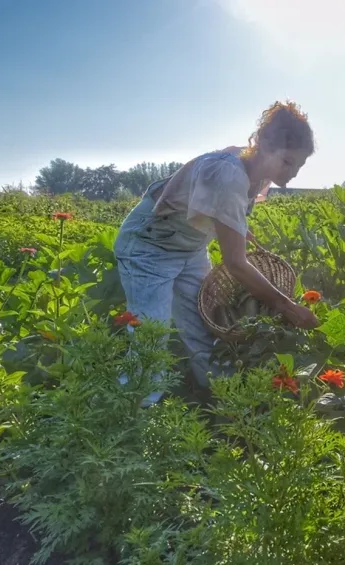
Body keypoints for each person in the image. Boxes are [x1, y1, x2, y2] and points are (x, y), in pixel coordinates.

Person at [113, 101, 320, 403]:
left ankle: (221, 409)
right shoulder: (227, 173)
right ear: (262, 143)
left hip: (190, 248)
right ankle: (129, 425)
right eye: (287, 162)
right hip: (150, 247)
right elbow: (235, 264)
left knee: (204, 333)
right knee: (150, 341)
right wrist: (287, 306)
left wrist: (234, 226)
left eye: (299, 166)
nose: (293, 173)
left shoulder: (257, 172)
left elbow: (216, 206)